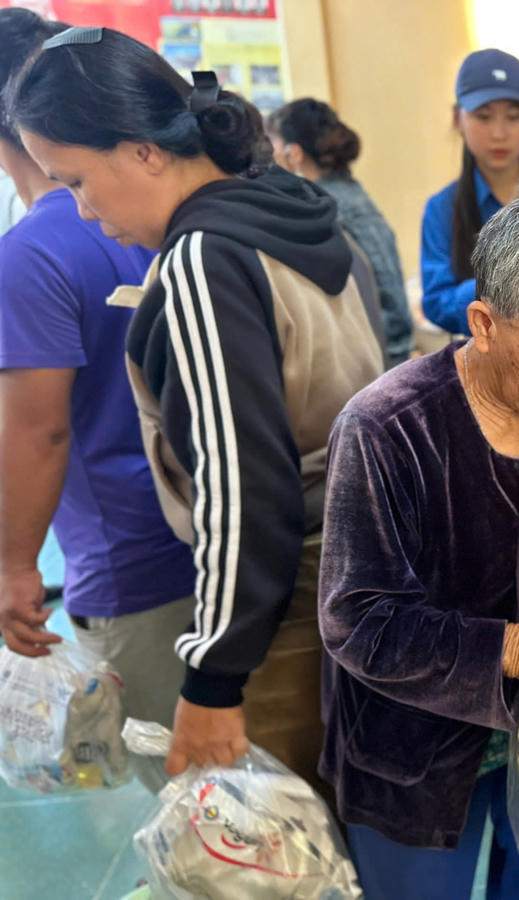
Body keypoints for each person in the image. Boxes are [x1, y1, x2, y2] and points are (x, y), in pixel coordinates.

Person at [8, 25, 384, 791]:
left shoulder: (201, 260)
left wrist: (213, 680)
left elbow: (245, 487)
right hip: (354, 564)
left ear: (144, 151)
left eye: (75, 179)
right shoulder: (289, 205)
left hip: (284, 603)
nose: (78, 211)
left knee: (261, 847)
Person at [319, 189, 519, 899]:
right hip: (414, 758)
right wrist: (517, 647)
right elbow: (358, 620)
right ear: (485, 323)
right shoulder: (387, 429)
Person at [0, 10, 195, 790]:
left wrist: (15, 566)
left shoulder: (35, 251)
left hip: (131, 566)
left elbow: (37, 433)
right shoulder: (167, 206)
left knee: (195, 810)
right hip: (222, 544)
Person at [420, 48, 519, 336]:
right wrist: (498, 277)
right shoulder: (442, 208)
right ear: (458, 119)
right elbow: (436, 304)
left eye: (513, 117)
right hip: (478, 359)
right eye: (483, 117)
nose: (498, 133)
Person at [266, 98, 414, 365]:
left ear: (294, 154)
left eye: (273, 147)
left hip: (371, 362)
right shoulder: (354, 194)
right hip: (391, 354)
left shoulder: (320, 211)